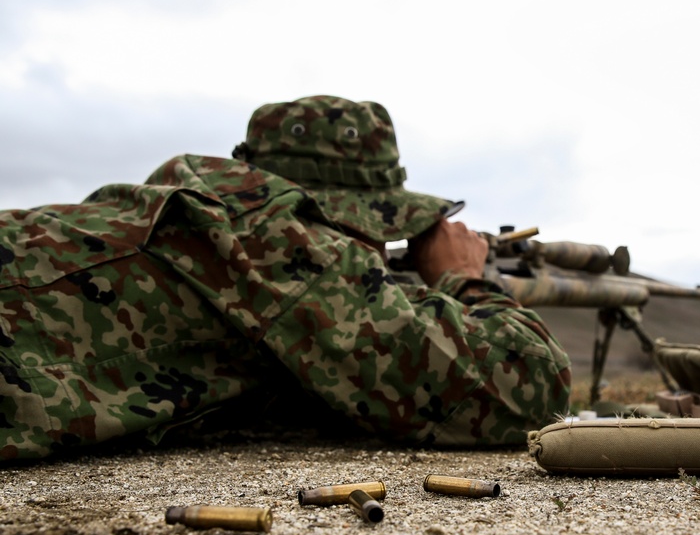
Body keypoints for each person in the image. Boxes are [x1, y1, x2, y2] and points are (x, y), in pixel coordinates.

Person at [0, 95, 572, 461]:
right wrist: (460, 277)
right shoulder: (282, 237)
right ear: (346, 214)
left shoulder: (204, 213)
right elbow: (528, 387)